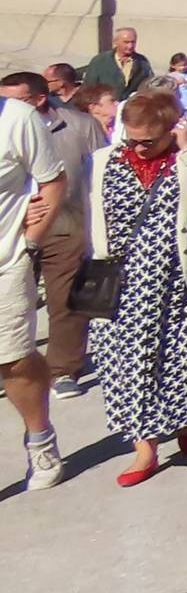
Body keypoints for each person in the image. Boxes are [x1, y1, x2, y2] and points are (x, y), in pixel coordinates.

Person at [88, 92, 187, 486]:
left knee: (182, 360)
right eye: (132, 138)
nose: (139, 147)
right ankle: (145, 447)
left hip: (177, 287)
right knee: (129, 367)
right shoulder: (105, 161)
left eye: (149, 140)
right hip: (121, 288)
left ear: (173, 129)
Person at [0, 70, 105, 398]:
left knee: (64, 300)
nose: (7, 105)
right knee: (16, 304)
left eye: (16, 99)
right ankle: (11, 366)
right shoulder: (9, 122)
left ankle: (63, 369)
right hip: (14, 228)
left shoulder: (79, 126)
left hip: (65, 223)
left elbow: (102, 171)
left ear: (39, 99)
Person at [1, 91, 68, 492]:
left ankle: (40, 437)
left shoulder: (17, 118)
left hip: (6, 262)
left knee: (13, 361)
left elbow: (53, 182)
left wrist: (30, 242)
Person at [83, 26, 156, 100]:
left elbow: (150, 85)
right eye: (126, 42)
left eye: (133, 42)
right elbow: (89, 88)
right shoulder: (100, 61)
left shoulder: (142, 62)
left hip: (131, 105)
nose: (130, 46)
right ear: (115, 42)